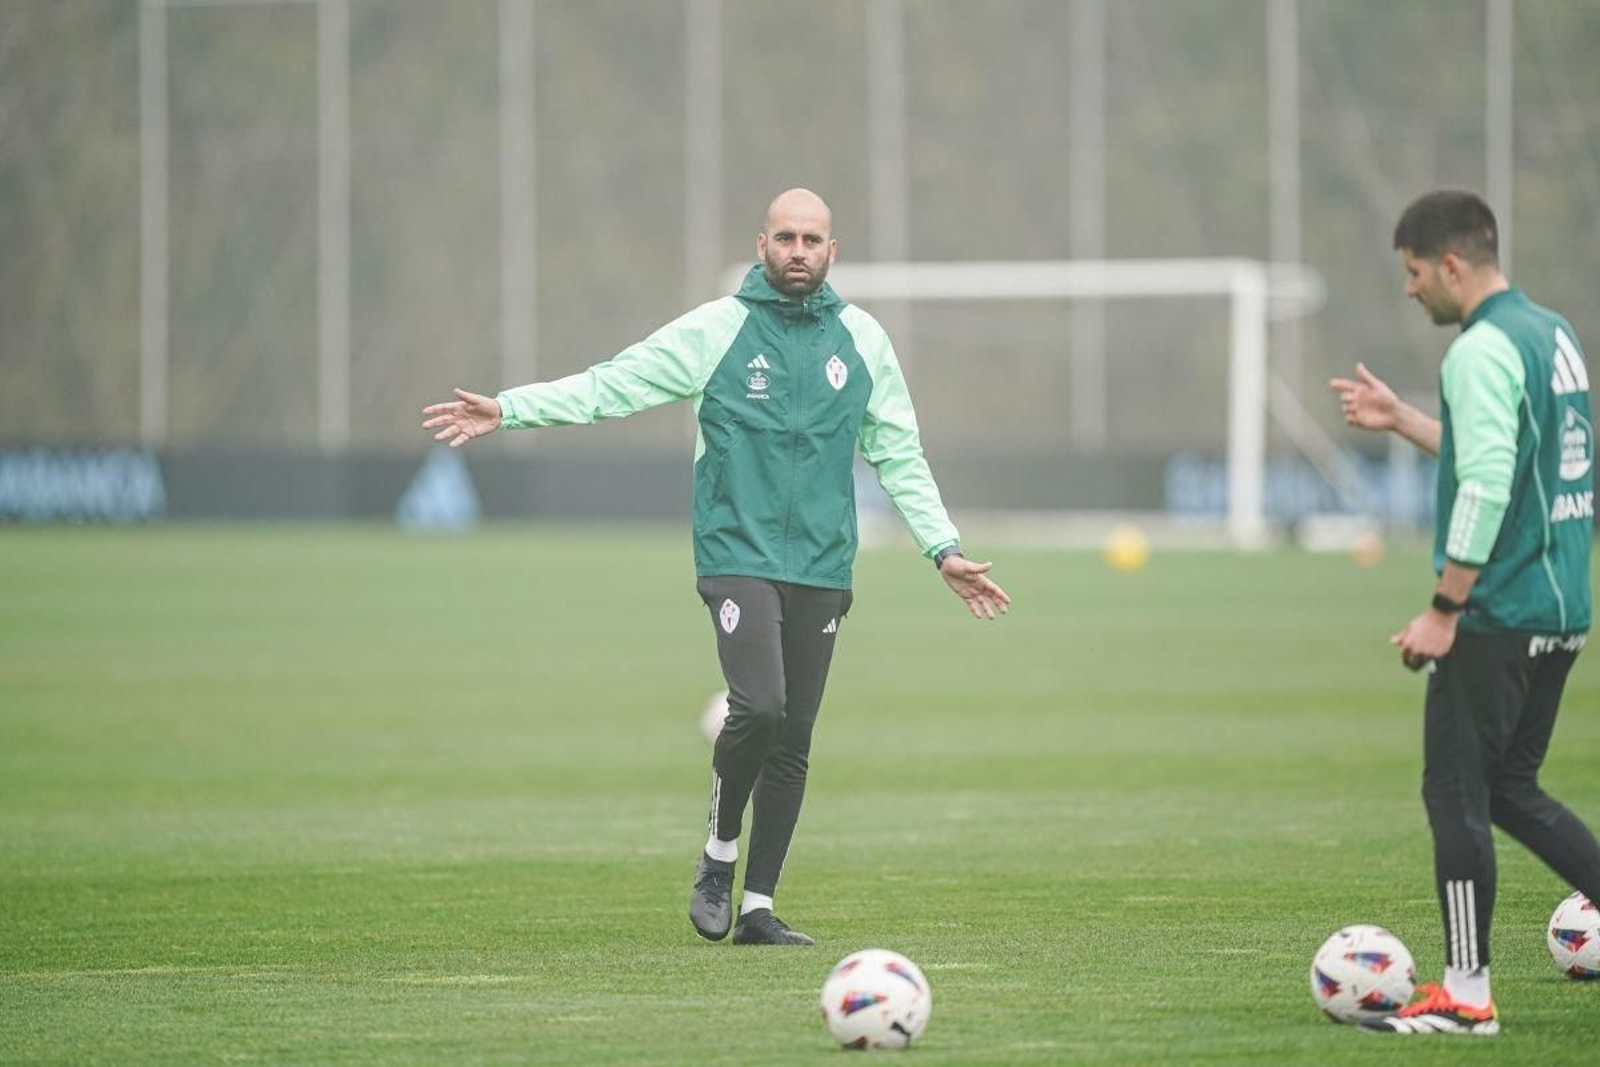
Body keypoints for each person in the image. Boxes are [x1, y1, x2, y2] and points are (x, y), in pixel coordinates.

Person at [423, 188, 1009, 946]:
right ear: (762, 244)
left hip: (823, 563)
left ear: (833, 252)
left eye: (812, 240)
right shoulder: (717, 329)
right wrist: (510, 408)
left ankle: (758, 908)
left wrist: (943, 547)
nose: (798, 251)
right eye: (786, 237)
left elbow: (898, 451)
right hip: (737, 552)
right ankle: (718, 854)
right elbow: (613, 384)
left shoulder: (864, 341)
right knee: (759, 706)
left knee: (793, 736)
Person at [1330, 189, 1596, 1035]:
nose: (1410, 289)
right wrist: (1404, 419)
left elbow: (1484, 484)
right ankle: (1466, 988)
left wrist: (1446, 605)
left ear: (1450, 264)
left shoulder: (1480, 349)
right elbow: (1515, 456)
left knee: (1456, 790)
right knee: (1512, 788)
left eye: (1414, 272)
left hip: (1498, 610)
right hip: (1563, 605)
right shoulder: (1552, 333)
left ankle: (1466, 994)